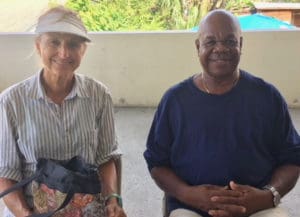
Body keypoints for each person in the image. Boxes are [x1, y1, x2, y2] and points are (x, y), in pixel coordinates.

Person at [144, 9, 300, 217]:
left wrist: (267, 196)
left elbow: (292, 158)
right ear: (198, 47)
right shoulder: (175, 101)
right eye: (210, 42)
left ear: (240, 45)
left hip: (257, 208)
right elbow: (157, 162)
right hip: (191, 208)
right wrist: (188, 194)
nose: (221, 49)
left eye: (229, 41)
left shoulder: (267, 97)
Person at [0, 5, 126, 217]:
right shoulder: (11, 101)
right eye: (54, 42)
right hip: (31, 208)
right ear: (39, 46)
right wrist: (26, 214)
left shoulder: (99, 95)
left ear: (83, 50)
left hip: (86, 206)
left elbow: (106, 157)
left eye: (73, 44)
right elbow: (5, 174)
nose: (64, 52)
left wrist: (113, 200)